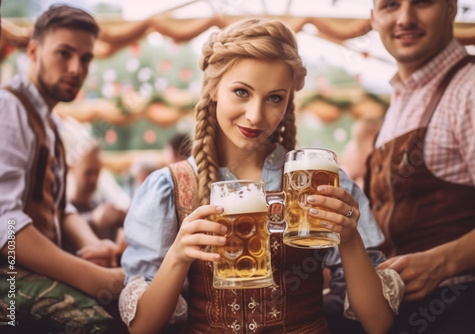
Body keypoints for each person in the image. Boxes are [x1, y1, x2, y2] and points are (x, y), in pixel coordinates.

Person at [119, 18, 403, 334]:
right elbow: (142, 328)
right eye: (241, 92)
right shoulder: (170, 188)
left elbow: (378, 322)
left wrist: (349, 238)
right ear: (213, 89)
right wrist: (178, 255)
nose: (256, 115)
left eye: (274, 98)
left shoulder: (321, 183)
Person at [367, 1, 475, 333]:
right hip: (400, 308)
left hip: (464, 307)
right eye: (390, 5)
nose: (405, 18)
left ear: (451, 8)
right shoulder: (399, 99)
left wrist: (442, 262)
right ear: (373, 17)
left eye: (423, 2)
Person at [0, 5, 125, 333]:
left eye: (85, 59)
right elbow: (5, 226)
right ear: (33, 51)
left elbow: (59, 207)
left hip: (28, 268)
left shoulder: (51, 124)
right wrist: (97, 278)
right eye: (64, 54)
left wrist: (92, 246)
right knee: (97, 322)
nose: (75, 68)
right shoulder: (7, 108)